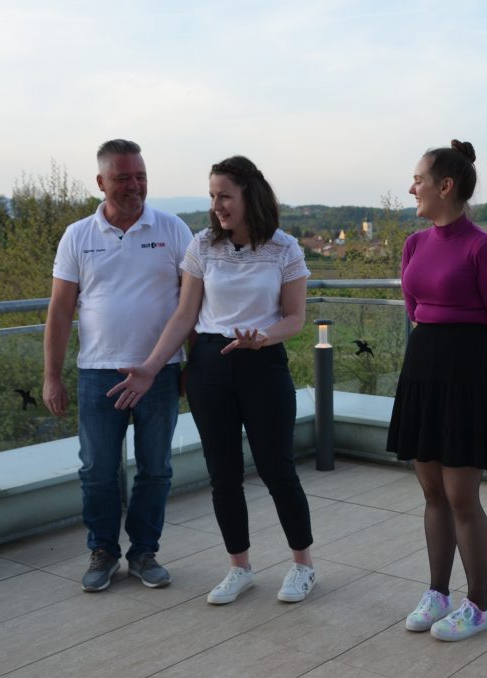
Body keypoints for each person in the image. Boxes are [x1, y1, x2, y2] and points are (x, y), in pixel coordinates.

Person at [106, 155, 316, 605]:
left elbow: (295, 318)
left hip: (262, 364)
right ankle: (239, 568)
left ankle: (303, 566)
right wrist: (151, 365)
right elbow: (185, 314)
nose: (217, 205)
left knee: (278, 470)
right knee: (223, 474)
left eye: (225, 196)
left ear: (249, 196)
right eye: (212, 196)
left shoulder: (284, 248)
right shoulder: (202, 246)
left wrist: (263, 336)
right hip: (209, 367)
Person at [43, 139, 193, 592]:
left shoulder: (172, 229)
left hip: (160, 372)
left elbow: (193, 306)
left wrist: (190, 366)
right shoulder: (78, 235)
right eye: (124, 177)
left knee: (156, 468)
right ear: (101, 182)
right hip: (98, 372)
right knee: (97, 470)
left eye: (141, 176)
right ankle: (103, 551)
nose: (135, 185)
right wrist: (52, 376)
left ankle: (144, 552)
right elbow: (60, 311)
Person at [387, 140, 487, 642]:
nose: (411, 188)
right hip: (422, 369)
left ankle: (479, 605)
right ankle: (437, 593)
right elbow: (415, 308)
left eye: (418, 179)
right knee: (432, 492)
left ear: (445, 186)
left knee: (462, 497)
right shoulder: (414, 245)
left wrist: (475, 374)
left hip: (466, 376)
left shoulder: (482, 247)